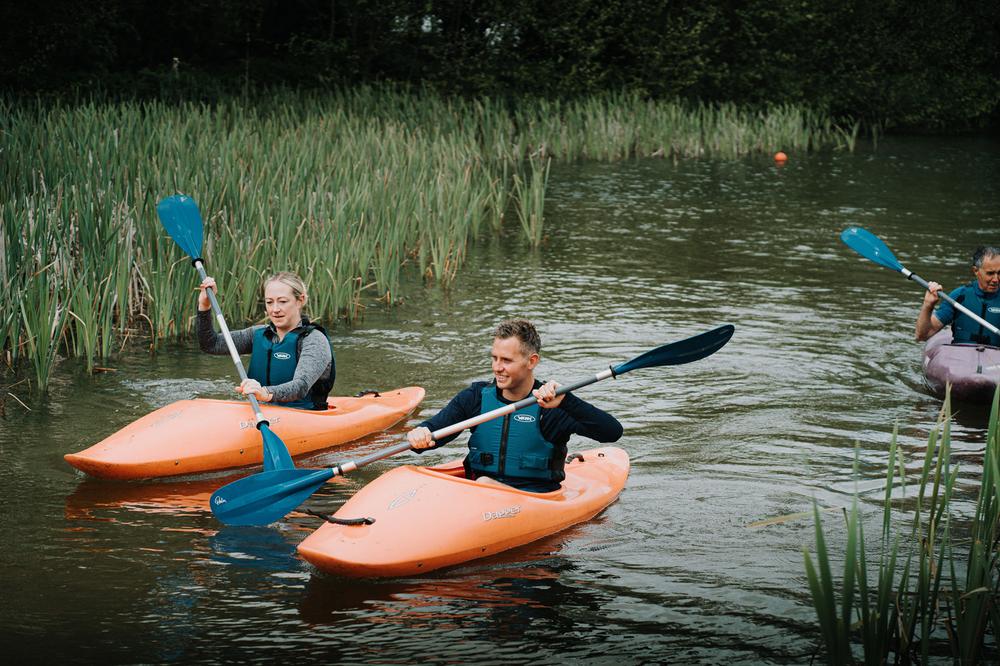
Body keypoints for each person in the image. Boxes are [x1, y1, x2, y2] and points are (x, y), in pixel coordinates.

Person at [407, 318, 623, 492]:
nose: (497, 367)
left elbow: (612, 432)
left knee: (484, 483)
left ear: (531, 361)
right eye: (494, 358)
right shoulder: (476, 397)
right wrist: (421, 433)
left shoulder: (553, 405)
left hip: (534, 500)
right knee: (481, 483)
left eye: (506, 360)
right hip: (477, 495)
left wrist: (567, 400)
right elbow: (435, 430)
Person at [196, 271, 335, 410]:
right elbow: (211, 344)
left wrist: (265, 393)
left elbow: (301, 386)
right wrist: (204, 306)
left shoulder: (314, 340)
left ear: (300, 300)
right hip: (259, 411)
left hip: (304, 414)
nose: (275, 309)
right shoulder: (258, 334)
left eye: (283, 301)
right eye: (269, 302)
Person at [916, 245, 1000, 347]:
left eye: (999, 273)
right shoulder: (960, 296)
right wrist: (928, 306)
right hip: (961, 354)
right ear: (976, 271)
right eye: (990, 273)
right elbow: (922, 336)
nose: (996, 279)